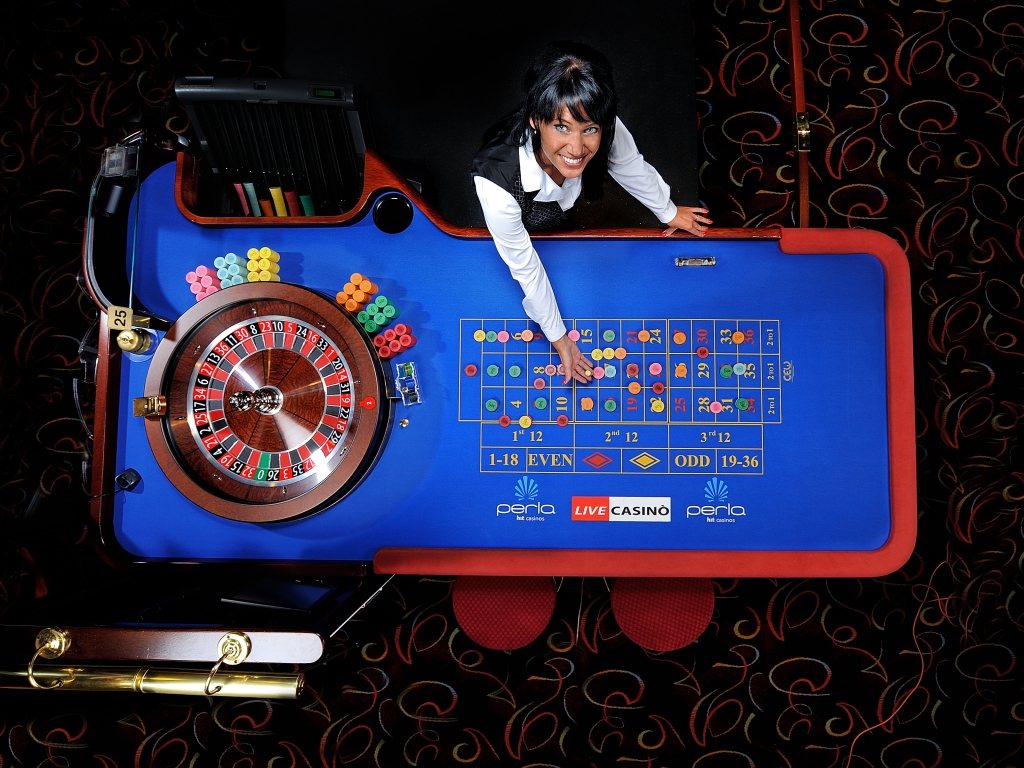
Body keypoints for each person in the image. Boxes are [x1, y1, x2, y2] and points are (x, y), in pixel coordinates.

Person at [472, 41, 711, 385]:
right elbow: (525, 266)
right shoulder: (496, 183)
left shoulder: (602, 121)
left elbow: (628, 164)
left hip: (561, 208)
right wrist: (559, 338)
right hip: (521, 218)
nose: (576, 147)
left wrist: (668, 211)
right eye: (562, 127)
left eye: (590, 130)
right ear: (536, 120)